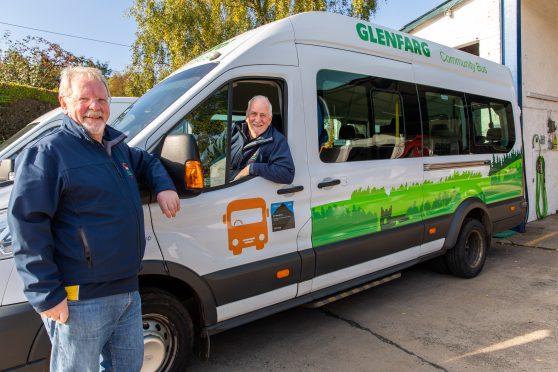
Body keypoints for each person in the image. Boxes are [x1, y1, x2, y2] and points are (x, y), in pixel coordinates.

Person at [8, 66, 180, 371]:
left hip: (127, 291)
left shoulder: (118, 149)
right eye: (85, 99)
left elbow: (149, 160)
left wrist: (164, 186)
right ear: (64, 103)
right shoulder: (48, 153)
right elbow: (27, 225)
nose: (95, 107)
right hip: (80, 300)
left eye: (102, 100)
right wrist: (46, 295)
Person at [205, 95, 294, 184]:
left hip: (249, 194)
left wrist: (252, 168)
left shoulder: (277, 140)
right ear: (247, 116)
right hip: (222, 188)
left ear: (270, 119)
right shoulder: (234, 129)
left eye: (263, 115)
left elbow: (287, 174)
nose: (258, 120)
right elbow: (212, 152)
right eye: (254, 114)